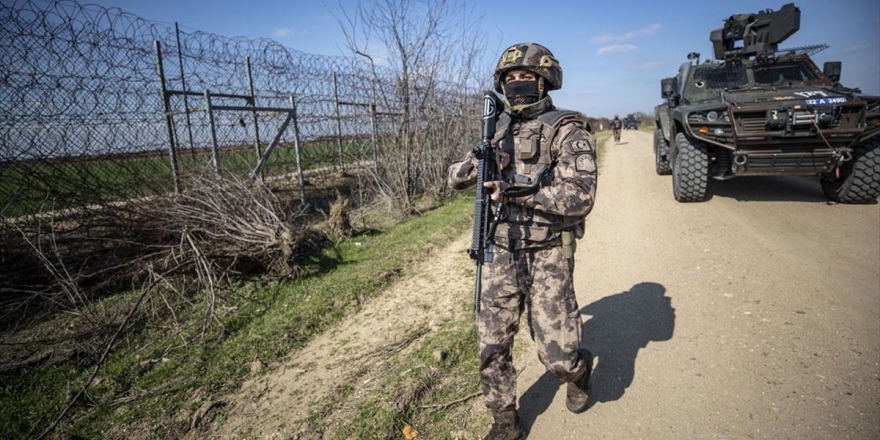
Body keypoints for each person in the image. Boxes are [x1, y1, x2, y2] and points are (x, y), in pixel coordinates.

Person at [447, 42, 597, 440]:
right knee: (492, 345)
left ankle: (579, 372)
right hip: (499, 250)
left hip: (547, 251)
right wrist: (480, 162)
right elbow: (454, 177)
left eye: (525, 78)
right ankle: (505, 420)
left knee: (558, 357)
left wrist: (519, 191)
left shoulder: (566, 127)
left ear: (544, 82)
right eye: (509, 79)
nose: (517, 85)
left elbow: (580, 196)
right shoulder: (493, 130)